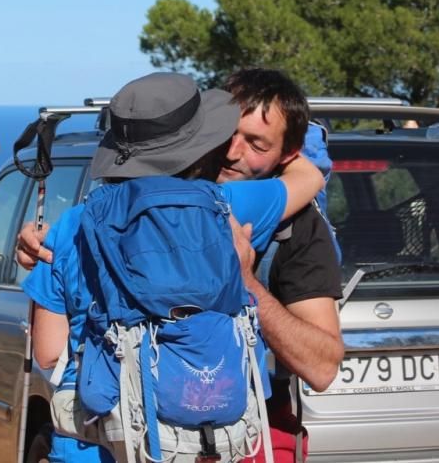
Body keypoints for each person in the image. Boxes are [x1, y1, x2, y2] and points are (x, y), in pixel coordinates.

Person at [19, 68, 345, 462]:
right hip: (204, 444)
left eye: (255, 143)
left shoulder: (71, 225)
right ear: (201, 144)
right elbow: (309, 178)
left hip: (95, 444)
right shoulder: (233, 207)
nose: (232, 151)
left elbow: (50, 355)